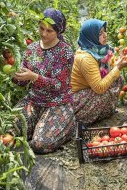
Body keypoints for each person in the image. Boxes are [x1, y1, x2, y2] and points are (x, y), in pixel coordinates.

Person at [12, 8, 75, 154]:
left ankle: (68, 125)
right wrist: (14, 73)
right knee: (8, 131)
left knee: (40, 144)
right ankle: (38, 123)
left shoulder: (65, 52)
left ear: (58, 32)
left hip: (57, 103)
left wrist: (34, 77)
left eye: (50, 31)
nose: (44, 34)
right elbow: (22, 82)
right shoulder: (31, 49)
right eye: (41, 28)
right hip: (34, 101)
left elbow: (59, 85)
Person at [71, 19, 127, 125]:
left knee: (117, 80)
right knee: (106, 90)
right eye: (100, 33)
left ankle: (101, 112)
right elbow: (99, 88)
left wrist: (118, 63)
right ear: (90, 36)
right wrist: (117, 68)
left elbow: (106, 72)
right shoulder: (85, 58)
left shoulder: (98, 50)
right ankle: (81, 119)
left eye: (104, 31)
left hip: (87, 92)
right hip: (76, 101)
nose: (105, 35)